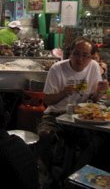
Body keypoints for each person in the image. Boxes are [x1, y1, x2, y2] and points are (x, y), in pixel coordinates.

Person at [37, 36, 108, 186]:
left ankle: (74, 177)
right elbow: (47, 101)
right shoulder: (57, 69)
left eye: (85, 55)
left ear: (91, 57)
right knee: (45, 136)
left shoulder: (94, 67)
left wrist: (100, 92)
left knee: (97, 141)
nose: (80, 59)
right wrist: (64, 92)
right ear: (70, 53)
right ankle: (47, 175)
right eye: (76, 53)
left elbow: (94, 100)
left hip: (82, 117)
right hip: (55, 115)